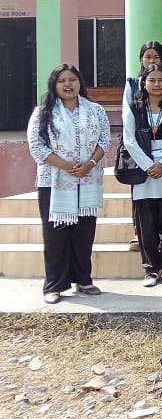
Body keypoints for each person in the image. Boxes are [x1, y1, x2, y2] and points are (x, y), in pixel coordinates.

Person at [27, 64, 110, 304]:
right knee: (55, 235)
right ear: (54, 85)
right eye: (62, 80)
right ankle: (54, 285)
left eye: (72, 79)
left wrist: (89, 164)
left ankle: (83, 280)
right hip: (53, 182)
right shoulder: (43, 112)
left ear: (79, 82)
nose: (67, 84)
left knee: (84, 233)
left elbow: (105, 140)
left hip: (88, 178)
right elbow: (36, 146)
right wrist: (65, 166)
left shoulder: (96, 110)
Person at [122, 64, 162, 287]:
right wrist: (149, 165)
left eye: (161, 80)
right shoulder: (135, 107)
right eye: (152, 80)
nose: (157, 84)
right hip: (144, 171)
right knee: (146, 224)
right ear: (144, 83)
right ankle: (150, 269)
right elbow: (129, 139)